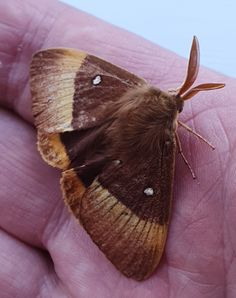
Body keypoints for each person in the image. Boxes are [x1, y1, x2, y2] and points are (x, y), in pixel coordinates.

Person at [0, 1, 235, 297]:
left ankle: (69, 153)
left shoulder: (130, 87)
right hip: (110, 164)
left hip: (76, 137)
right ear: (176, 120)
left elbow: (56, 66)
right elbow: (54, 64)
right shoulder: (165, 138)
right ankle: (81, 172)